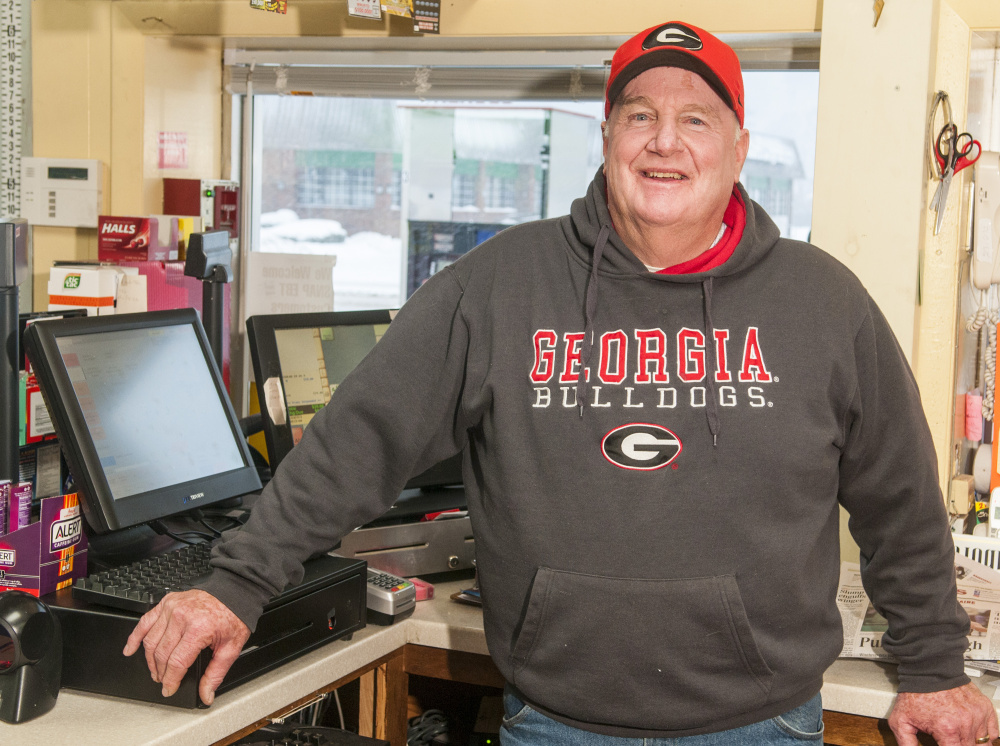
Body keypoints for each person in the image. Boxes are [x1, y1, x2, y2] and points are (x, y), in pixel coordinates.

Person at [125, 20, 998, 746]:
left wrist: (932, 670)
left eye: (696, 119)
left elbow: (899, 498)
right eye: (639, 116)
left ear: (737, 145)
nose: (665, 141)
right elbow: (360, 439)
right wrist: (233, 583)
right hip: (554, 721)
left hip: (764, 724)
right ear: (609, 137)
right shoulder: (498, 285)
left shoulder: (822, 302)